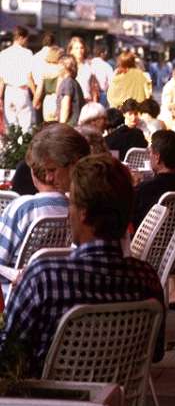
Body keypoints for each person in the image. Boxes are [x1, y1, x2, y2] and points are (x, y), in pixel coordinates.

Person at [0, 154, 165, 375]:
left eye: (71, 203)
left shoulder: (44, 279)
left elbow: (8, 356)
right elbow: (155, 352)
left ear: (83, 214)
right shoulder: (146, 279)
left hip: (47, 393)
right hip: (116, 391)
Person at [0, 124, 90, 271]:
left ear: (74, 164)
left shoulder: (25, 208)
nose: (48, 178)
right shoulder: (80, 203)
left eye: (52, 170)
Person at [132, 130, 175, 229]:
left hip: (149, 239)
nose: (149, 156)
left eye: (150, 152)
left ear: (157, 157)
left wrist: (133, 187)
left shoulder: (145, 190)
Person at [0, 26, 35, 132]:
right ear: (21, 38)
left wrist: (0, 97)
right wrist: (35, 95)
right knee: (26, 126)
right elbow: (29, 77)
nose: (27, 42)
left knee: (11, 126)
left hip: (9, 92)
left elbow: (1, 80)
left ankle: (12, 143)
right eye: (26, 39)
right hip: (22, 91)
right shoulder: (27, 53)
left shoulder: (3, 54)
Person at [32, 45, 64, 123]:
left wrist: (35, 102)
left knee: (48, 125)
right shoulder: (61, 70)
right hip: (57, 99)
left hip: (47, 100)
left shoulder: (44, 70)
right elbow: (58, 89)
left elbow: (39, 90)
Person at [67, 36, 98, 103]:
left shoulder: (89, 65)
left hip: (87, 101)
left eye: (81, 48)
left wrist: (94, 103)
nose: (79, 51)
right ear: (71, 50)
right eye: (76, 48)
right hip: (72, 102)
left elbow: (93, 88)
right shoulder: (67, 65)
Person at [56, 55, 85, 126]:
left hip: (70, 125)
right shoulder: (74, 82)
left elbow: (66, 104)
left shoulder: (67, 82)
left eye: (59, 65)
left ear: (65, 67)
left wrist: (62, 125)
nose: (57, 68)